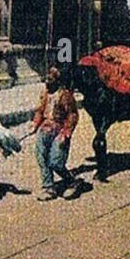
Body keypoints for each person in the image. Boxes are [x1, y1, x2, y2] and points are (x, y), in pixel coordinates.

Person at [31, 65, 84, 201]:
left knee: (55, 162)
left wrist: (66, 133)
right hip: (44, 130)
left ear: (58, 81)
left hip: (59, 131)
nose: (47, 80)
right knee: (42, 158)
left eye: (51, 78)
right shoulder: (44, 94)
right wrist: (34, 124)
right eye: (47, 77)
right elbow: (39, 111)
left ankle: (71, 181)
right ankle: (48, 187)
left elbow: (72, 115)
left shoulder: (65, 96)